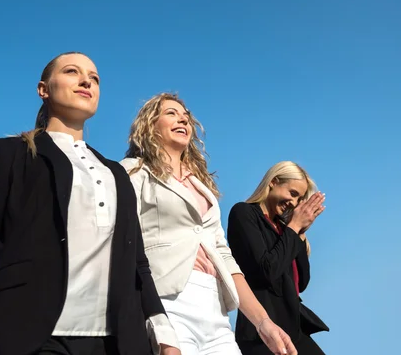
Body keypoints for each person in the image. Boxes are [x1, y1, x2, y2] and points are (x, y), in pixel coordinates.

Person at [0, 52, 180, 355]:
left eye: (95, 78)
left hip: (114, 343)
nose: (87, 80)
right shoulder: (10, 155)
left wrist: (163, 333)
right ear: (43, 89)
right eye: (72, 71)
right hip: (25, 336)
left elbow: (138, 263)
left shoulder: (116, 174)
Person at [120, 93, 296, 355]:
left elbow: (224, 256)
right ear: (149, 124)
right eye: (171, 113)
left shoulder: (202, 188)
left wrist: (263, 322)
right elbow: (124, 244)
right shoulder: (133, 172)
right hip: (166, 300)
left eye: (186, 116)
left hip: (213, 307)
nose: (182, 119)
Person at [227, 162, 329, 355]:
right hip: (262, 332)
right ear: (273, 182)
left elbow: (301, 283)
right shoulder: (244, 213)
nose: (293, 202)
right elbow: (267, 271)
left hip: (294, 329)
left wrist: (299, 232)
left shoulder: (284, 229)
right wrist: (293, 228)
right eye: (292, 193)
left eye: (298, 199)